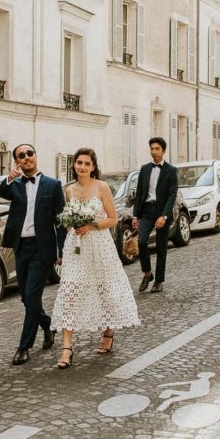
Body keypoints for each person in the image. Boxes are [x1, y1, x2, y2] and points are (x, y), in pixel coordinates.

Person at [52, 149, 141, 368]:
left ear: (93, 166)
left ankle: (109, 332)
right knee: (69, 291)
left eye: (86, 163)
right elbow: (68, 222)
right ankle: (66, 348)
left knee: (105, 289)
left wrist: (90, 225)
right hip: (76, 247)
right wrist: (72, 224)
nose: (82, 167)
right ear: (74, 166)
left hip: (100, 245)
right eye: (79, 163)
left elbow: (112, 219)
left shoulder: (101, 187)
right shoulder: (69, 190)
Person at [0, 144, 66, 366]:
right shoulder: (14, 185)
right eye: (21, 156)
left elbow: (61, 220)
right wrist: (10, 177)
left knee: (33, 295)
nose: (26, 158)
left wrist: (62, 250)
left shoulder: (53, 185)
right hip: (21, 246)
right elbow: (1, 191)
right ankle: (47, 324)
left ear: (36, 156)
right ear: (17, 161)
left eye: (29, 154)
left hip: (43, 248)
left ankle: (23, 347)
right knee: (26, 298)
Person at [132, 137, 178, 294]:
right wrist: (135, 215)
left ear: (163, 151)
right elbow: (139, 194)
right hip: (147, 211)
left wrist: (164, 216)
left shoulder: (171, 171)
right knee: (142, 241)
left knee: (161, 247)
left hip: (162, 212)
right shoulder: (145, 169)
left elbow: (172, 195)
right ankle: (147, 273)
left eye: (157, 148)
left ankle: (159, 281)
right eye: (152, 148)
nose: (154, 151)